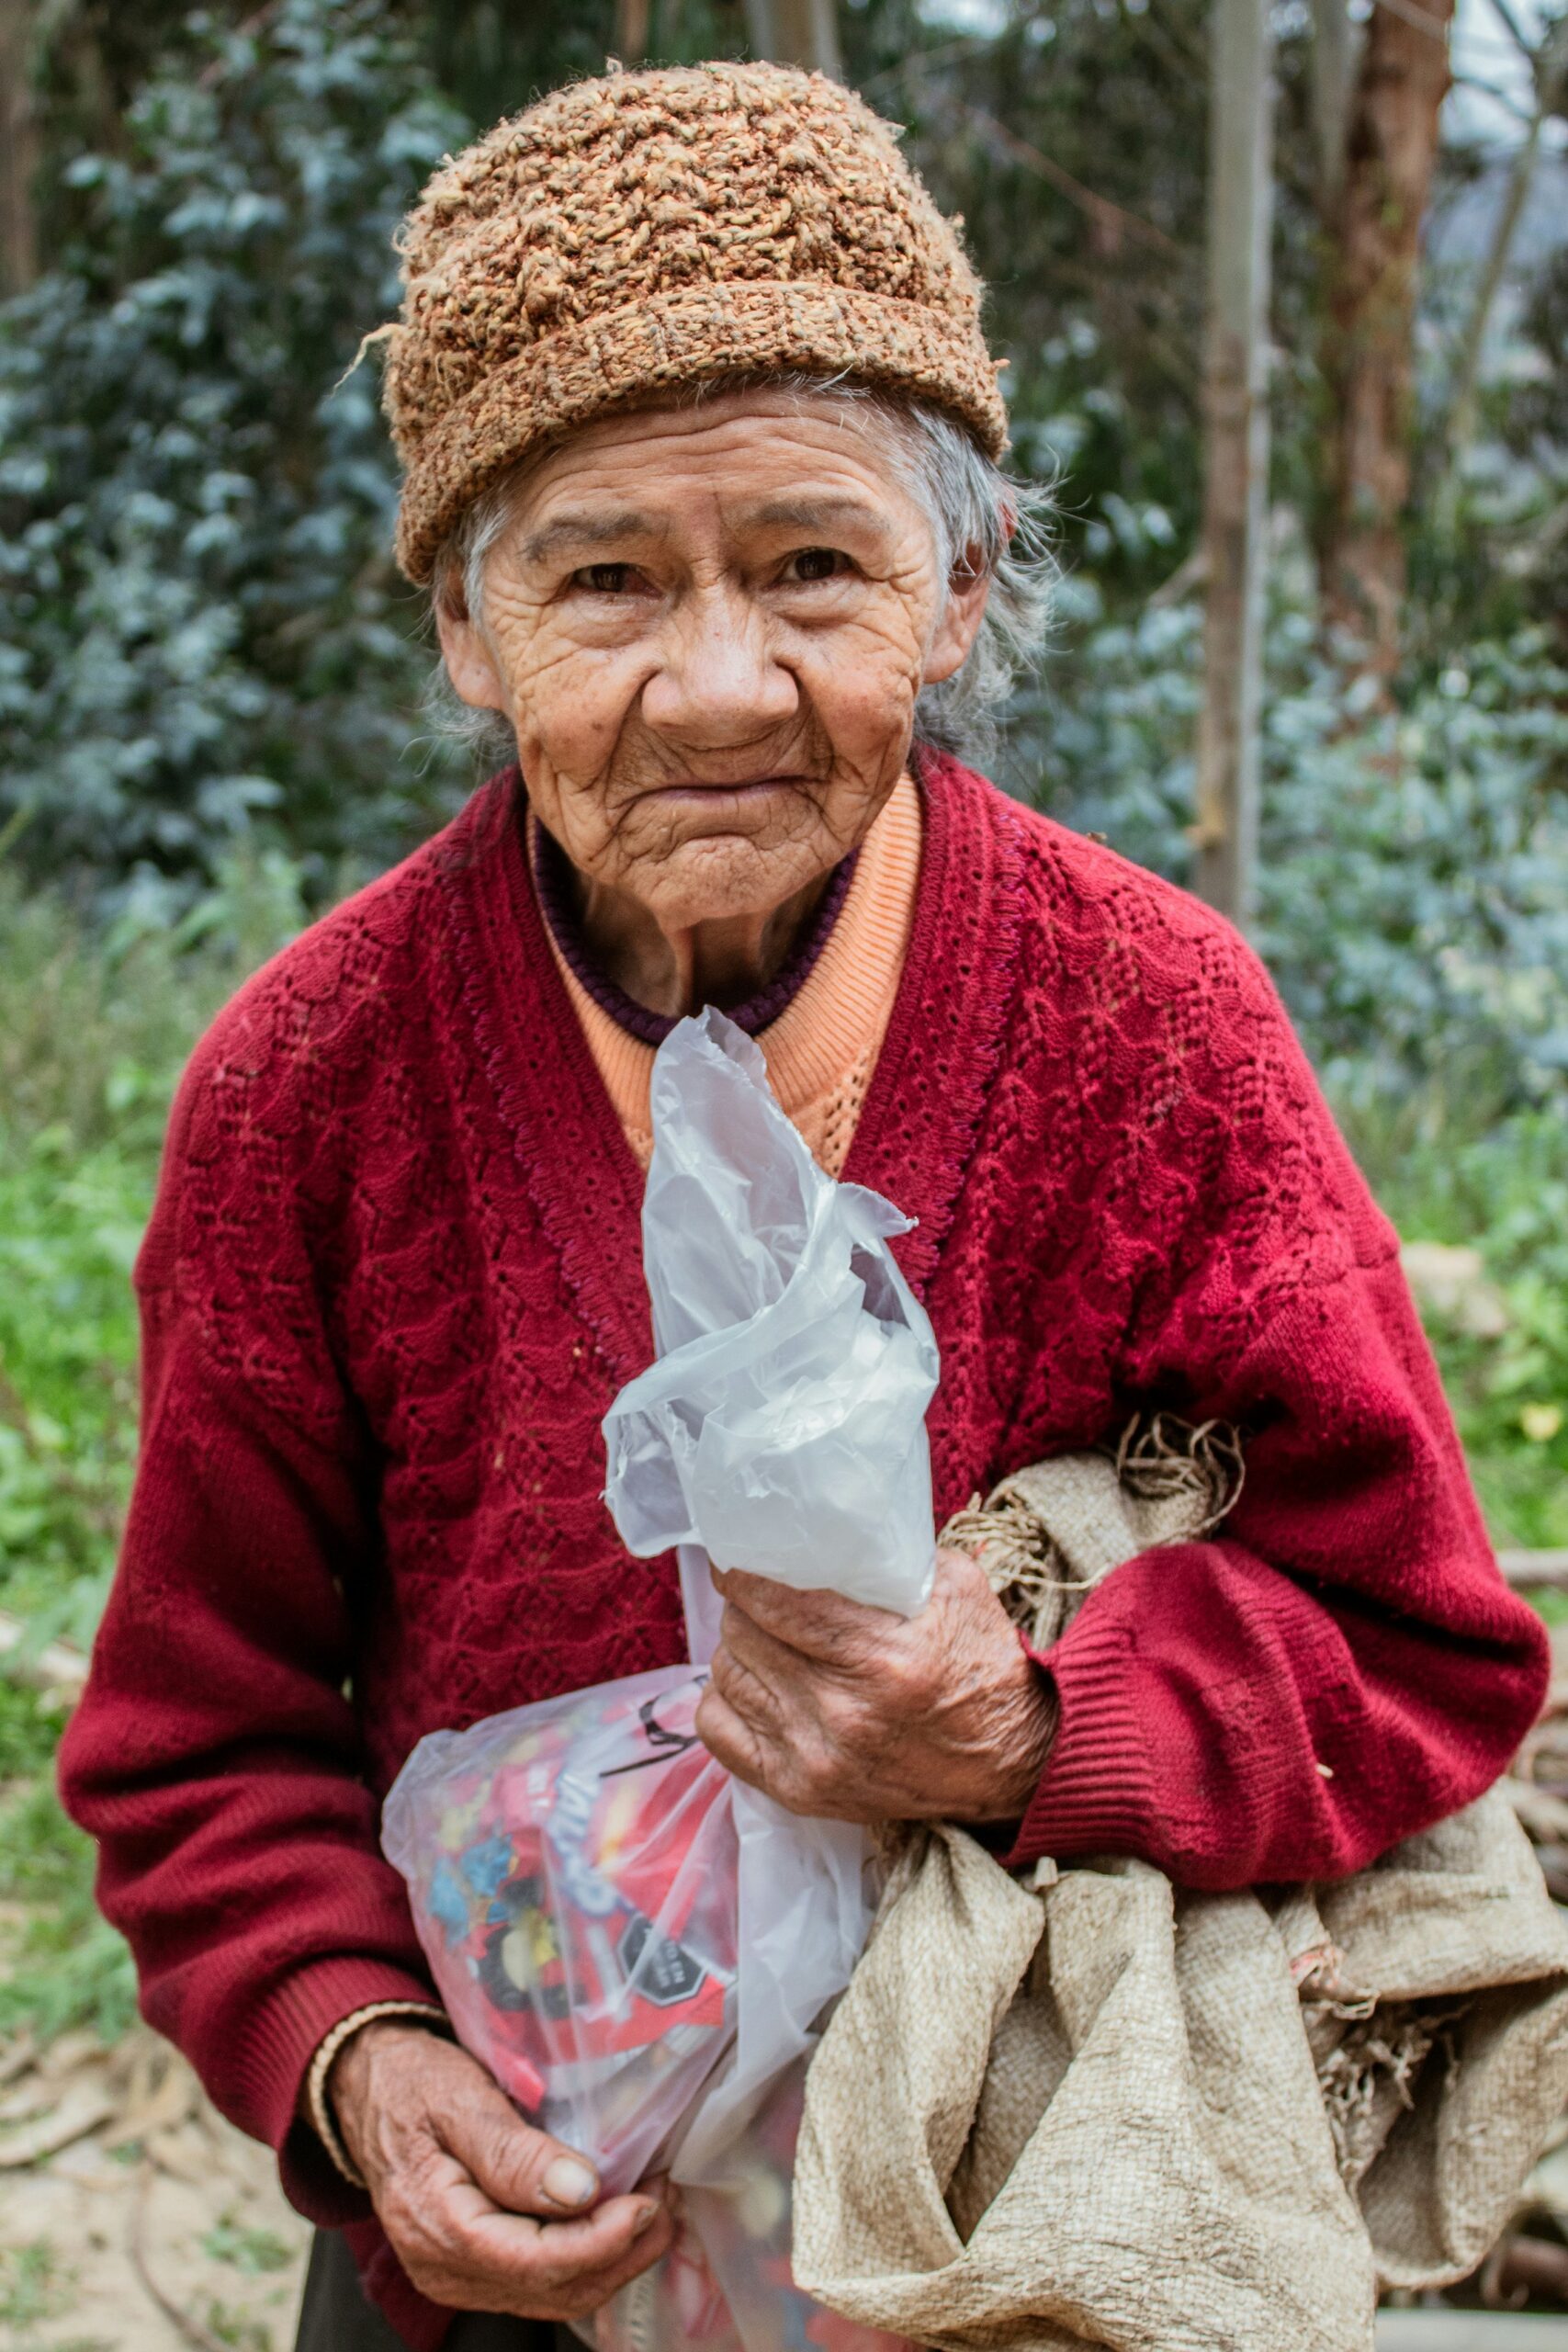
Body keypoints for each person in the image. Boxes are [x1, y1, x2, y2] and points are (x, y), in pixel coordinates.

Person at [59, 60, 1548, 2352]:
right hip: (517, 2264)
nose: (718, 684)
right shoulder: (310, 1084)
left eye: (812, 566)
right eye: (605, 580)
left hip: (1012, 2239)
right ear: (468, 631)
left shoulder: (1155, 1026)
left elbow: (1420, 1642)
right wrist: (357, 2064)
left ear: (951, 590)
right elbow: (197, 1730)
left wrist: (1035, 1726)